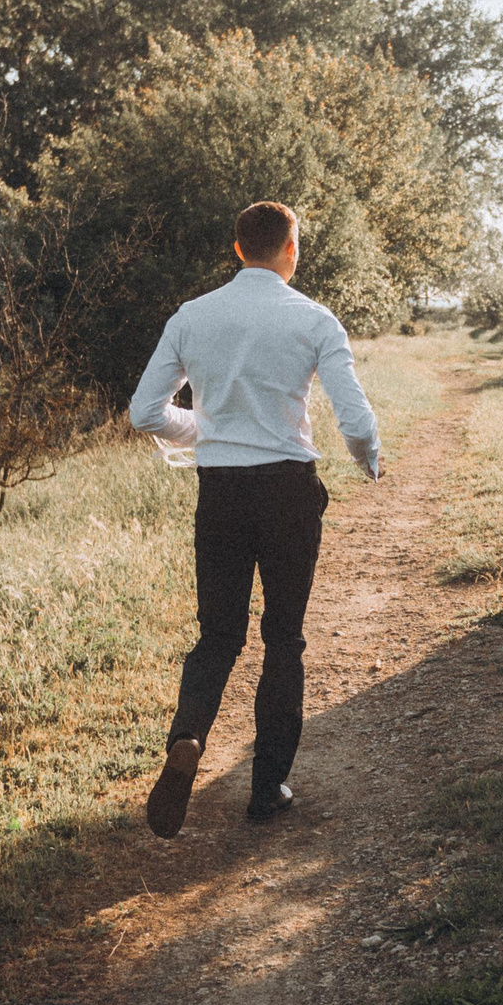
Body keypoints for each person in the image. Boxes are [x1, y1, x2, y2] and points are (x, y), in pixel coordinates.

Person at [129, 201, 381, 839]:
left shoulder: (193, 316)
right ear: (291, 249)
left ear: (239, 249)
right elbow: (354, 419)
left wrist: (206, 432)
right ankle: (266, 788)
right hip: (288, 492)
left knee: (217, 634)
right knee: (284, 638)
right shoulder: (314, 319)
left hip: (221, 491)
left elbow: (145, 413)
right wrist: (370, 461)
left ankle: (187, 736)